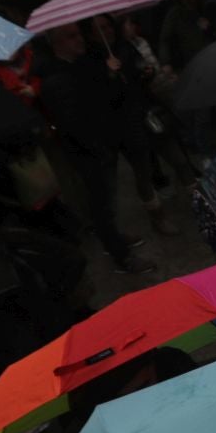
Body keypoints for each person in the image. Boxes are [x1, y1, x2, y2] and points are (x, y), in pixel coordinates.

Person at [36, 22, 158, 273]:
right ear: (57, 43)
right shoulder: (56, 78)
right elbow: (74, 121)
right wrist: (97, 147)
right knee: (100, 202)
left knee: (106, 200)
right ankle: (120, 256)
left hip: (100, 143)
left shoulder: (79, 65)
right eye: (71, 36)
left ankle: (114, 238)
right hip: (88, 151)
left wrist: (110, 75)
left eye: (78, 34)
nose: (79, 39)